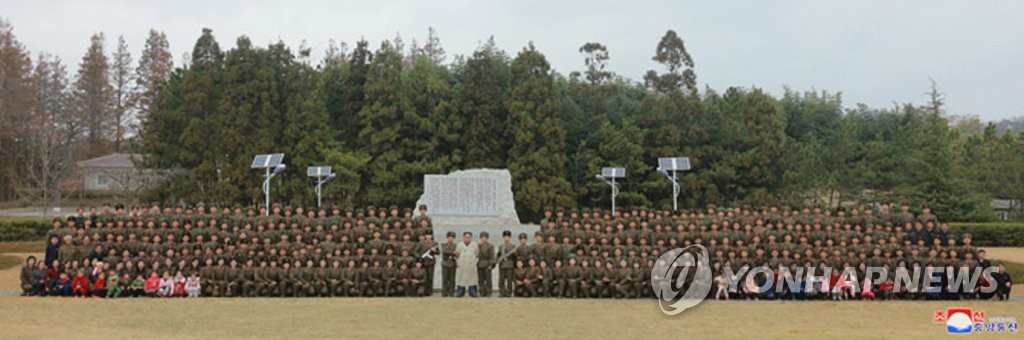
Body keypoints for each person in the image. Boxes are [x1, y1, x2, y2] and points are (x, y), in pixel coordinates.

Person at [455, 231, 480, 297]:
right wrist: (458, 263)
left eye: (469, 237)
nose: (467, 238)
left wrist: (474, 263)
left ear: (471, 238)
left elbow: (477, 254)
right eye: (466, 237)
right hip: (462, 264)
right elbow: (456, 255)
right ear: (463, 237)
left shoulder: (475, 245)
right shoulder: (459, 245)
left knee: (472, 278)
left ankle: (473, 292)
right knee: (461, 278)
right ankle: (460, 292)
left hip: (471, 264)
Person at [498, 230, 517, 297]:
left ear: (510, 238)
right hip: (502, 265)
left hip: (510, 265)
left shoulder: (513, 247)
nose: (506, 239)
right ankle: (502, 292)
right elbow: (498, 256)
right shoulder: (501, 247)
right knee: (501, 279)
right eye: (505, 237)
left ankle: (509, 292)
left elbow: (515, 257)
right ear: (503, 238)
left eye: (508, 237)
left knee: (509, 279)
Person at [477, 231, 495, 297]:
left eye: (485, 238)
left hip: (487, 264)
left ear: (487, 238)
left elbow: (492, 256)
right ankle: (482, 292)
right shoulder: (478, 245)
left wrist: (491, 265)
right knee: (481, 279)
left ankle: (488, 292)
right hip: (480, 264)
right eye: (482, 238)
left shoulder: (490, 246)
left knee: (488, 279)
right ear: (480, 238)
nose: (483, 239)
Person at [441, 231, 457, 297]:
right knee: (445, 279)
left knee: (452, 279)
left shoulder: (456, 245)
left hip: (453, 263)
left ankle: (451, 292)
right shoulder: (443, 245)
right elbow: (445, 251)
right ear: (447, 238)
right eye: (449, 237)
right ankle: (444, 292)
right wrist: (453, 253)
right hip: (445, 263)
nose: (451, 239)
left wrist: (454, 253)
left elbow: (458, 252)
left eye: (452, 238)